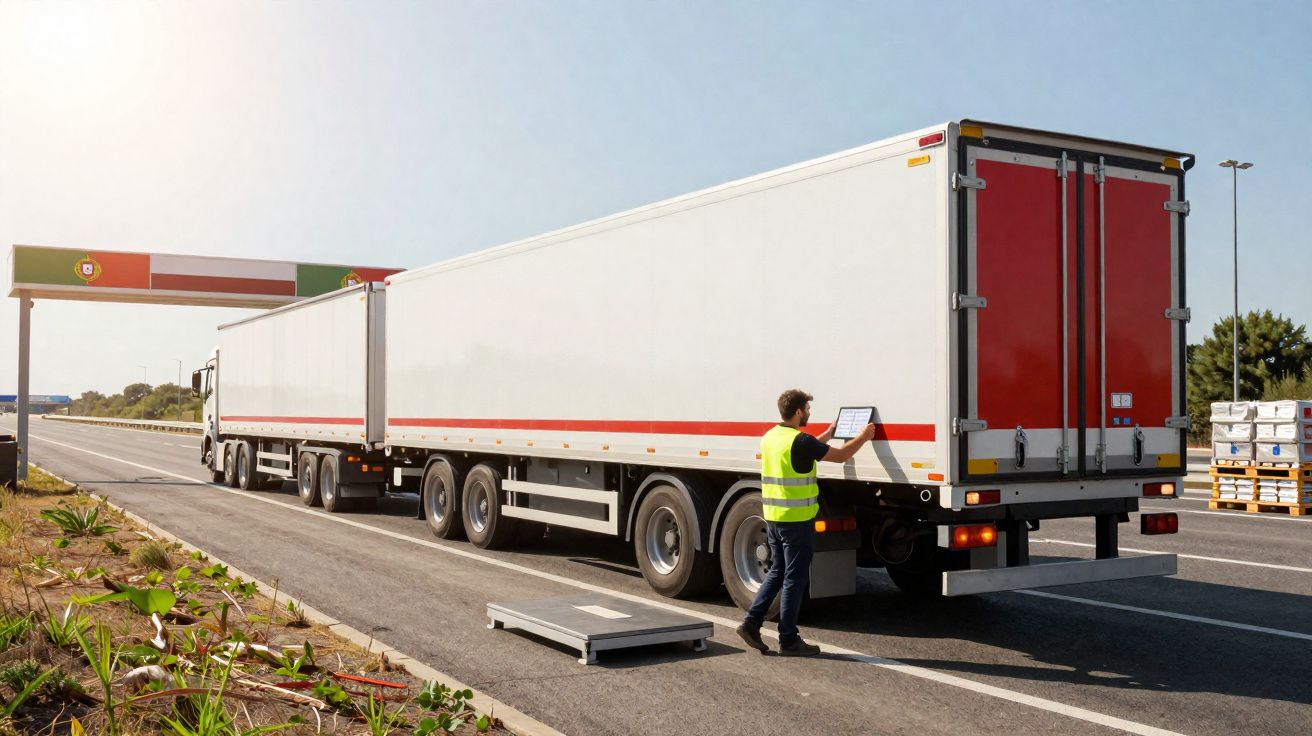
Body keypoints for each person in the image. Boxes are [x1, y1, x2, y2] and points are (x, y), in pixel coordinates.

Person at [736, 389, 875, 657]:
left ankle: (751, 623)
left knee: (778, 572)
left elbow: (807, 450)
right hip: (797, 522)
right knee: (794, 579)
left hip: (775, 518)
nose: (810, 413)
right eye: (808, 409)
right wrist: (863, 437)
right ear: (798, 411)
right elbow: (841, 455)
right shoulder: (801, 441)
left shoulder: (772, 438)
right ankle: (788, 639)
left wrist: (828, 433)